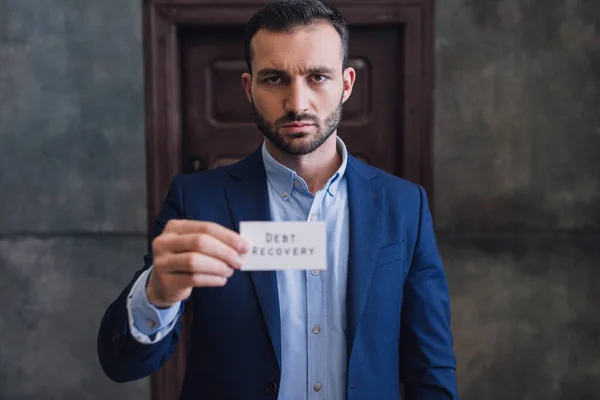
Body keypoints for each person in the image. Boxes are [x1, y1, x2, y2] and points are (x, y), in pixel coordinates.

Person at [97, 0, 458, 399]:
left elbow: (431, 366)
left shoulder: (405, 205)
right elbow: (122, 364)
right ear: (249, 88)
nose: (297, 103)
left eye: (318, 77)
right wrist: (156, 295)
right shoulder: (198, 202)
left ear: (347, 84)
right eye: (275, 79)